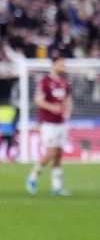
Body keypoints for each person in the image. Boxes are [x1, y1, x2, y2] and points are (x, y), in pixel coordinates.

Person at [27, 56, 73, 195]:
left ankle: (56, 187)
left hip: (61, 123)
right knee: (50, 153)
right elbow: (38, 100)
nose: (63, 66)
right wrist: (52, 107)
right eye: (61, 63)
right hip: (48, 123)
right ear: (54, 65)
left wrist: (68, 112)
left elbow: (68, 98)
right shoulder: (45, 81)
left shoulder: (64, 82)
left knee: (59, 154)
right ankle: (32, 177)